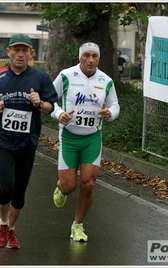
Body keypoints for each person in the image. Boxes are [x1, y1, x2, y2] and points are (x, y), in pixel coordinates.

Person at [0, 33, 58, 249]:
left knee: (20, 193)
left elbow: (51, 106)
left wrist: (39, 103)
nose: (21, 54)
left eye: (25, 50)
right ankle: (2, 223)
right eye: (16, 50)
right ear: (9, 52)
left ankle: (11, 229)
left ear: (31, 53)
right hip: (1, 139)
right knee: (7, 186)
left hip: (27, 142)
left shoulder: (40, 77)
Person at [51, 42, 120, 242]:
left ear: (98, 59)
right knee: (69, 186)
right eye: (87, 56)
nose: (91, 60)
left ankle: (77, 225)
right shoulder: (66, 76)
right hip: (69, 138)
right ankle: (61, 187)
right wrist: (59, 114)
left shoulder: (105, 80)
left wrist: (110, 114)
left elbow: (115, 104)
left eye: (95, 56)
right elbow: (49, 98)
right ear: (80, 57)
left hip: (92, 138)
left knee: (88, 183)